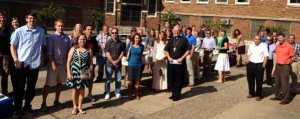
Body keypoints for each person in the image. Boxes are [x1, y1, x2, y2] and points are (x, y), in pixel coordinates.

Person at [10, 11, 46, 117]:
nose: (32, 20)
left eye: (34, 18)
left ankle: (27, 107)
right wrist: (16, 60)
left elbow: (41, 46)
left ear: (36, 19)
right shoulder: (19, 31)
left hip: (34, 65)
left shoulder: (41, 31)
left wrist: (42, 58)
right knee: (19, 89)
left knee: (31, 89)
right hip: (21, 64)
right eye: (30, 18)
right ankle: (17, 109)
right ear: (26, 19)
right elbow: (12, 46)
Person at [40, 19, 70, 111]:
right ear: (55, 26)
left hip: (63, 65)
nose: (60, 27)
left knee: (60, 84)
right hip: (54, 65)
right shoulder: (51, 37)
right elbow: (49, 52)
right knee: (48, 84)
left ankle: (56, 101)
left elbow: (69, 51)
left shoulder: (66, 38)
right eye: (59, 25)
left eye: (62, 26)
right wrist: (53, 64)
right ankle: (44, 103)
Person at [66, 35, 93, 115]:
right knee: (74, 90)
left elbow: (91, 62)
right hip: (75, 71)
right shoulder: (73, 49)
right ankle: (74, 107)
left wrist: (90, 72)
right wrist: (68, 73)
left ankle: (80, 107)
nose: (82, 41)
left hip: (85, 70)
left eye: (84, 39)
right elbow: (68, 62)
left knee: (82, 90)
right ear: (78, 40)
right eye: (80, 39)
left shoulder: (89, 50)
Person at [164, 25, 191, 101]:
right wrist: (169, 57)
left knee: (178, 79)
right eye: (175, 30)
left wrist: (182, 58)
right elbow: (166, 50)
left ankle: (177, 95)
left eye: (177, 30)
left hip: (180, 62)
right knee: (172, 79)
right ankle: (173, 94)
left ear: (180, 31)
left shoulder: (184, 40)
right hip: (172, 62)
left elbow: (188, 50)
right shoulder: (171, 40)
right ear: (173, 31)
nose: (176, 32)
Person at [270, 33, 294, 105]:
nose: (279, 39)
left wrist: (288, 63)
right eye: (278, 38)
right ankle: (277, 96)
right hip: (278, 66)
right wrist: (274, 67)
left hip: (285, 66)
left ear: (284, 38)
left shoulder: (289, 46)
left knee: (285, 83)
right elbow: (276, 55)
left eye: (280, 38)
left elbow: (292, 57)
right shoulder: (277, 46)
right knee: (277, 82)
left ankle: (286, 98)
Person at [104, 28, 125, 100]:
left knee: (118, 79)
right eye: (113, 33)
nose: (114, 34)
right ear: (111, 34)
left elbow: (122, 52)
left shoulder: (121, 43)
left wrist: (118, 60)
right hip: (110, 64)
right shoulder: (108, 43)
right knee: (108, 80)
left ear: (118, 33)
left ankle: (117, 92)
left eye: (116, 33)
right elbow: (107, 53)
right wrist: (113, 62)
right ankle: (107, 92)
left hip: (118, 64)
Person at [246, 35, 268, 101]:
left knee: (259, 81)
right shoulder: (251, 46)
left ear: (260, 40)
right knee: (250, 80)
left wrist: (263, 66)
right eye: (256, 39)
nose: (257, 40)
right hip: (251, 64)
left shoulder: (264, 46)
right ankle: (251, 93)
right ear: (254, 39)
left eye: (258, 39)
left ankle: (259, 95)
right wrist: (248, 63)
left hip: (259, 65)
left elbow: (266, 57)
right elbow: (248, 54)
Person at [84, 24, 99, 102]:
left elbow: (96, 52)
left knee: (91, 78)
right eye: (88, 29)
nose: (89, 31)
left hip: (92, 62)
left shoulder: (93, 40)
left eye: (90, 29)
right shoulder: (82, 38)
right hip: (83, 62)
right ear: (85, 30)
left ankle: (89, 94)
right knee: (84, 78)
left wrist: (93, 62)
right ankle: (81, 95)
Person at [127, 34, 144, 99]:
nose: (137, 39)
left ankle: (137, 94)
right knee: (130, 81)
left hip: (139, 65)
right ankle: (130, 94)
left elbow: (141, 54)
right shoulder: (130, 45)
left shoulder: (141, 46)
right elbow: (126, 51)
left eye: (138, 38)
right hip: (131, 65)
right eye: (136, 38)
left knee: (137, 81)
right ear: (134, 38)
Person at [0, 11, 12, 96]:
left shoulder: (9, 29)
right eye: (0, 17)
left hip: (6, 55)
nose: (2, 19)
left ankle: (4, 92)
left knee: (5, 75)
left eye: (4, 17)